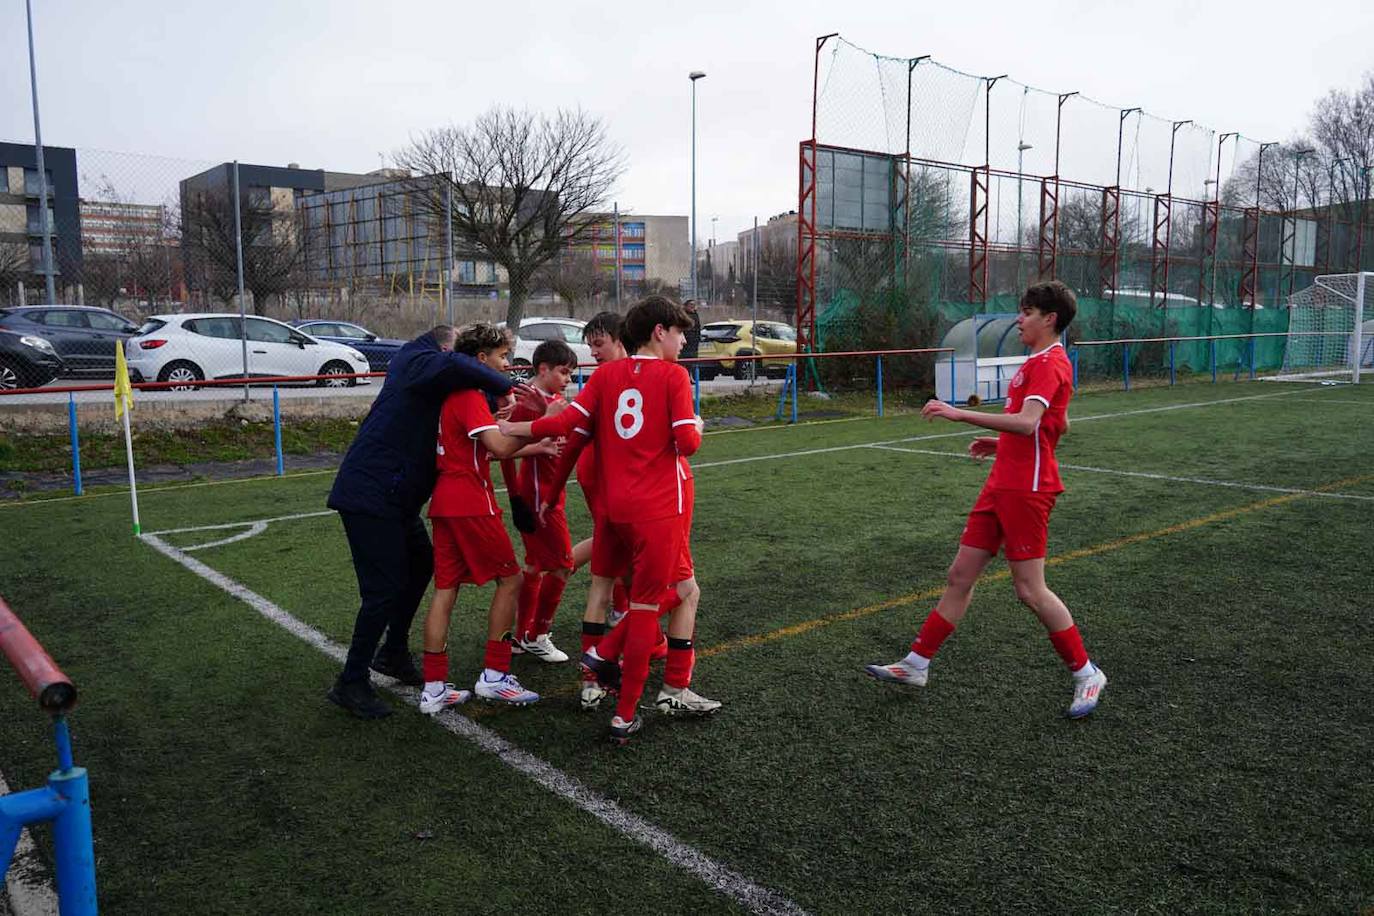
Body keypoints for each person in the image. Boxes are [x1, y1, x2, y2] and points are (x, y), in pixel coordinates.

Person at [864, 280, 1107, 719]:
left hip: (1028, 489)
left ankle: (1087, 672)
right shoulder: (1036, 363)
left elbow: (1032, 423)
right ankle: (916, 664)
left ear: (1049, 319)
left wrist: (958, 413)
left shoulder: (1049, 363)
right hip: (1002, 483)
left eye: (1027, 312)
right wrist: (1002, 445)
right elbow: (1059, 424)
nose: (1019, 318)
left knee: (1030, 590)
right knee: (960, 575)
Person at [502, 296, 719, 744]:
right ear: (659, 331)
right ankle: (625, 710)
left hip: (613, 509)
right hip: (657, 510)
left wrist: (510, 429)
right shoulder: (674, 376)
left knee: (643, 591)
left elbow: (566, 426)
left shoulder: (605, 378)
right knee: (647, 607)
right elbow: (687, 443)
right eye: (680, 333)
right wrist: (696, 424)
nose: (683, 341)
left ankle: (606, 669)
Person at [326, 324, 536, 720]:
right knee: (383, 589)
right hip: (372, 494)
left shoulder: (443, 386)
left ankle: (393, 653)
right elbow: (467, 382)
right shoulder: (415, 360)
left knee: (426, 568)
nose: (506, 364)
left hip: (401, 498)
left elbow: (473, 407)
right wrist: (530, 412)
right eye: (502, 357)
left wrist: (501, 396)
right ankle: (350, 681)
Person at [418, 324, 548, 713]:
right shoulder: (468, 395)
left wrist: (511, 423)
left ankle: (435, 687)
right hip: (470, 500)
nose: (506, 364)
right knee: (512, 580)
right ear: (481, 359)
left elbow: (483, 446)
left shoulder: (453, 397)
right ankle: (495, 675)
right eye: (502, 356)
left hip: (444, 500)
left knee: (445, 591)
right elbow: (499, 448)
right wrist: (542, 422)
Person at [508, 339, 580, 663]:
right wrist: (516, 498)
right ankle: (537, 634)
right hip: (540, 498)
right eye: (563, 372)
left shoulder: (552, 400)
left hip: (550, 493)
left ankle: (522, 635)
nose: (568, 379)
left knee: (535, 566)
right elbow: (501, 450)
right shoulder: (526, 401)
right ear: (543, 369)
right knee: (563, 565)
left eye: (570, 373)